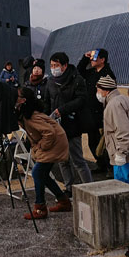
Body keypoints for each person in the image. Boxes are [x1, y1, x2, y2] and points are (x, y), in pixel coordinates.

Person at [43, 52, 93, 197]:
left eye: (56, 65)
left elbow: (81, 100)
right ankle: (69, 187)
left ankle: (90, 188)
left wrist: (62, 110)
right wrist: (46, 118)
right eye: (52, 66)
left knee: (78, 160)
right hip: (56, 127)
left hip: (72, 125)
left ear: (65, 65)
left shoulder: (77, 79)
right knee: (62, 160)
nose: (53, 68)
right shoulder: (50, 82)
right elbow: (47, 102)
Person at [16, 87, 71, 219]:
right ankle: (63, 201)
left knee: (37, 172)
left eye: (17, 96)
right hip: (55, 141)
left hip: (55, 143)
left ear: (23, 100)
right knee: (43, 174)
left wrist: (41, 146)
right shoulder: (27, 114)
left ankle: (40, 208)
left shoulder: (32, 117)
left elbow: (49, 132)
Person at [96, 76, 129, 187]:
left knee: (124, 187)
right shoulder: (124, 99)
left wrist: (121, 153)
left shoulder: (114, 105)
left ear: (105, 90)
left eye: (98, 90)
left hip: (126, 155)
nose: (97, 93)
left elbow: (124, 131)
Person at [77, 48, 116, 175]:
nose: (92, 60)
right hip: (90, 113)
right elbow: (80, 71)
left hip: (102, 113)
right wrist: (85, 57)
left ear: (102, 59)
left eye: (94, 58)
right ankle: (101, 164)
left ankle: (110, 167)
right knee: (92, 142)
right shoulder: (92, 72)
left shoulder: (108, 74)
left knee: (104, 143)